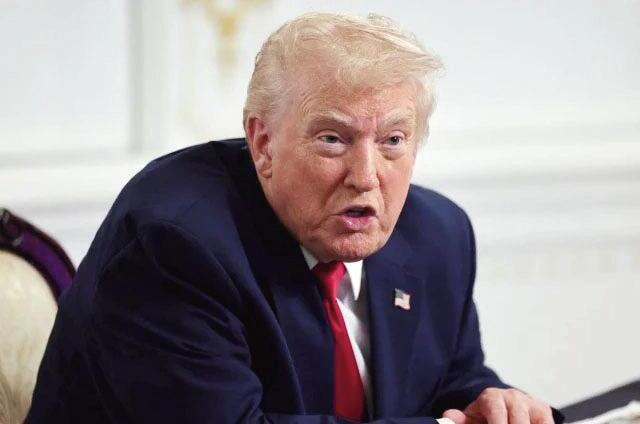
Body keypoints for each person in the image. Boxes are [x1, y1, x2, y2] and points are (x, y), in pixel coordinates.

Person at [27, 12, 562, 424]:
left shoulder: (437, 237)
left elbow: (450, 380)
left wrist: (489, 403)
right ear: (263, 143)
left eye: (393, 141)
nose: (366, 176)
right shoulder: (174, 244)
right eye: (333, 139)